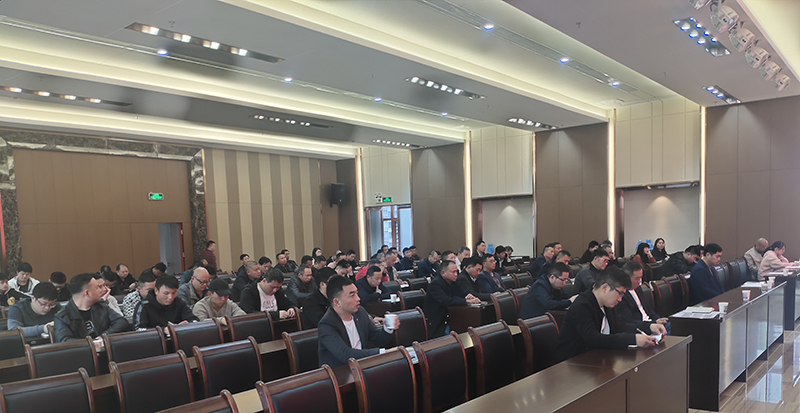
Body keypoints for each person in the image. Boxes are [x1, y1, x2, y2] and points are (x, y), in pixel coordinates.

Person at [556, 267, 665, 362]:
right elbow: (594, 339)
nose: (620, 299)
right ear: (605, 288)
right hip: (573, 362)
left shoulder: (607, 304)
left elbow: (620, 326)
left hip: (597, 357)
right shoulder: (581, 306)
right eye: (620, 293)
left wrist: (649, 326)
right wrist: (633, 339)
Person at [317, 276, 399, 367]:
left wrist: (388, 328)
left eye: (357, 293)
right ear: (337, 302)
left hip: (361, 366)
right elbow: (345, 354)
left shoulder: (360, 312)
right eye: (352, 295)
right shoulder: (326, 325)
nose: (358, 298)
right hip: (340, 372)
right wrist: (382, 353)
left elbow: (378, 339)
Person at [54, 273, 131, 342]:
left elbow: (121, 321)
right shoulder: (62, 317)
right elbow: (64, 341)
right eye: (97, 287)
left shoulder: (100, 305)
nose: (101, 290)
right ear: (87, 293)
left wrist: (102, 337)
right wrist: (91, 344)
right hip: (83, 352)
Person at [424, 260, 480, 337]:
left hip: (452, 317)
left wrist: (468, 296)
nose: (456, 274)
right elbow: (446, 301)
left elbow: (462, 292)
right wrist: (466, 301)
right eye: (453, 272)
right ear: (443, 273)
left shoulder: (454, 281)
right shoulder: (436, 284)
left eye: (456, 271)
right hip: (439, 322)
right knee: (460, 333)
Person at [617, 262, 670, 333]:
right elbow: (629, 321)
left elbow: (648, 309)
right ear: (627, 278)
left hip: (651, 323)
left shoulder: (638, 288)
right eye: (637, 278)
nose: (639, 282)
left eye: (641, 278)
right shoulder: (620, 295)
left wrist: (658, 319)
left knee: (676, 325)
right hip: (642, 329)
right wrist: (653, 323)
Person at [133, 275, 198, 331]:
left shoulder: (178, 302)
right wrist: (163, 330)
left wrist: (188, 324)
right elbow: (139, 330)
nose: (170, 297)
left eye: (174, 293)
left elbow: (195, 320)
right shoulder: (144, 306)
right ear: (156, 291)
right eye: (166, 293)